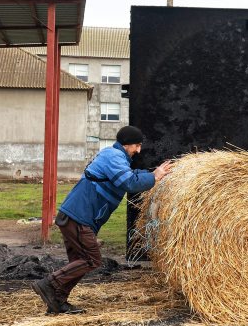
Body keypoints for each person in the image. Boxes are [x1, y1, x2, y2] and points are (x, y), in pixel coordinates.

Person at [32, 125, 173, 314]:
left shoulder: (116, 157)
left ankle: (57, 301)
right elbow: (129, 183)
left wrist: (152, 174)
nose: (139, 150)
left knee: (79, 262)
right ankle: (49, 284)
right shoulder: (112, 156)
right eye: (137, 145)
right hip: (78, 217)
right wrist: (153, 178)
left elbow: (131, 175)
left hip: (76, 216)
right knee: (91, 260)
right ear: (126, 144)